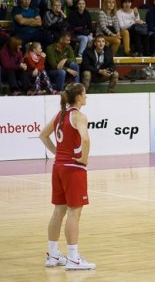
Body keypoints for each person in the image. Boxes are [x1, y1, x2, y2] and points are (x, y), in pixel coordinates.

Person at [38, 83, 96, 270]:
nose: (86, 97)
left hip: (58, 167)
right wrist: (84, 158)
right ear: (79, 97)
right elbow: (85, 139)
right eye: (85, 94)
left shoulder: (59, 116)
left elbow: (42, 135)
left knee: (58, 212)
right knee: (74, 212)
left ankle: (53, 255)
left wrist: (57, 153)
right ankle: (73, 258)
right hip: (73, 168)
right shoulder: (78, 116)